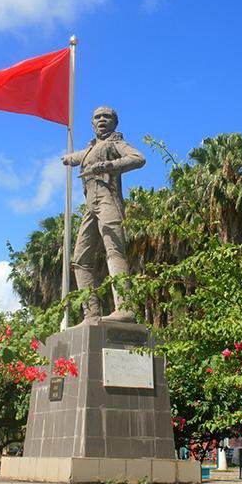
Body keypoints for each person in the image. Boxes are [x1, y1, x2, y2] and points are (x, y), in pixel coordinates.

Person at [62, 106, 145, 323]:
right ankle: (91, 314)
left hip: (108, 200)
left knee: (114, 251)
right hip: (90, 206)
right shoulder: (90, 148)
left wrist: (109, 165)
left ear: (114, 123)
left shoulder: (115, 143)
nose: (102, 120)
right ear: (91, 123)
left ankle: (125, 308)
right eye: (97, 117)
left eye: (106, 117)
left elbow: (138, 158)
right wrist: (68, 158)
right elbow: (75, 157)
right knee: (80, 259)